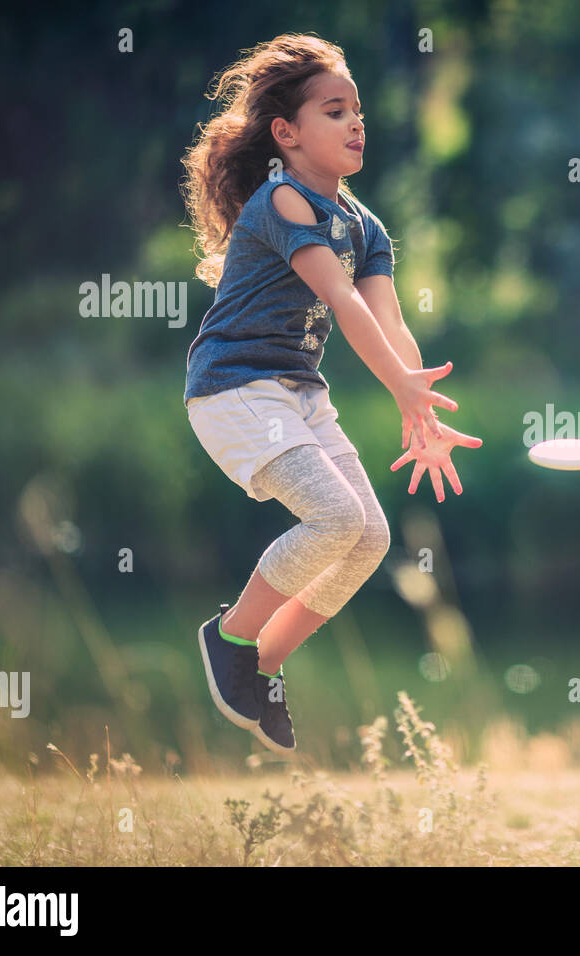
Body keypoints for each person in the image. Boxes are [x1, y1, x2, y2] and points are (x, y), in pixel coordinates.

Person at [179, 34, 482, 755]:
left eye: (358, 111)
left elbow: (389, 321)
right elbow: (339, 298)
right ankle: (229, 638)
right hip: (234, 390)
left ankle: (265, 664)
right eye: (334, 111)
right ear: (286, 133)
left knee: (368, 536)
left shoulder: (364, 223)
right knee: (335, 517)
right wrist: (402, 391)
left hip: (297, 396)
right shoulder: (283, 198)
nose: (356, 124)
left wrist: (423, 409)